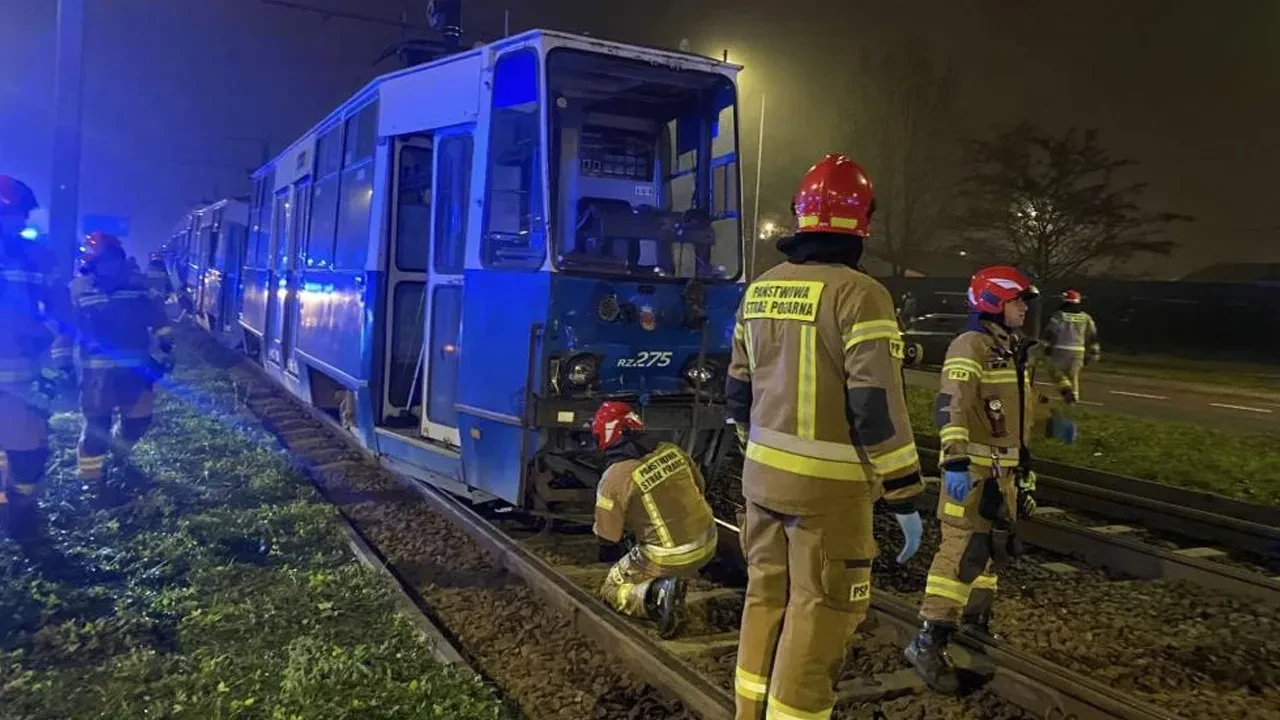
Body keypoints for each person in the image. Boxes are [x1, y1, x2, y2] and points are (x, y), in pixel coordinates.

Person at [726, 154, 925, 720]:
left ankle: (749, 712)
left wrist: (758, 457)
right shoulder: (861, 296)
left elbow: (736, 394)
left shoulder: (761, 289)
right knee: (823, 610)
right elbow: (875, 409)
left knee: (765, 599)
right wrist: (905, 493)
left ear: (800, 216)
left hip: (761, 485)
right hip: (830, 497)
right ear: (864, 220)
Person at [904, 265, 1040, 694]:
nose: (1023, 309)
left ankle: (975, 624)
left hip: (1002, 474)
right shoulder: (970, 345)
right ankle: (928, 639)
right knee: (960, 552)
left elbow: (1017, 413)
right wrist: (955, 462)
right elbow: (951, 407)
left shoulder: (1011, 348)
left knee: (986, 555)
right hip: (975, 473)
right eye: (1018, 301)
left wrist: (1029, 459)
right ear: (995, 303)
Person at [591, 401, 717, 639]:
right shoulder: (672, 450)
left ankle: (657, 594)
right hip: (709, 542)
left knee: (611, 588)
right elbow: (700, 486)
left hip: (669, 558)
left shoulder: (614, 478)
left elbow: (608, 538)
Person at [66, 232, 174, 485]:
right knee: (96, 431)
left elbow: (157, 320)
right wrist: (63, 367)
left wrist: (166, 347)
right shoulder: (79, 291)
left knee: (138, 423)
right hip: (97, 375)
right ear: (90, 264)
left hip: (136, 372)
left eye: (113, 260)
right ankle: (91, 481)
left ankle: (119, 454)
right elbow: (65, 328)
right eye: (103, 261)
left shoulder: (136, 288)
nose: (110, 266)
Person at [0, 176, 72, 540]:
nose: (24, 222)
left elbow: (62, 310)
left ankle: (20, 516)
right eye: (19, 214)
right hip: (20, 376)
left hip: (22, 380)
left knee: (28, 459)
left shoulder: (36, 256)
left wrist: (61, 358)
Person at [1041, 289, 1100, 403]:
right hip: (1079, 351)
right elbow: (1092, 335)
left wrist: (1045, 346)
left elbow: (1050, 332)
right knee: (1073, 375)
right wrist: (1094, 352)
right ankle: (1074, 400)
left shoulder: (1059, 315)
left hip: (1060, 350)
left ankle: (1066, 389)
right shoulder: (1086, 317)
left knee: (1056, 372)